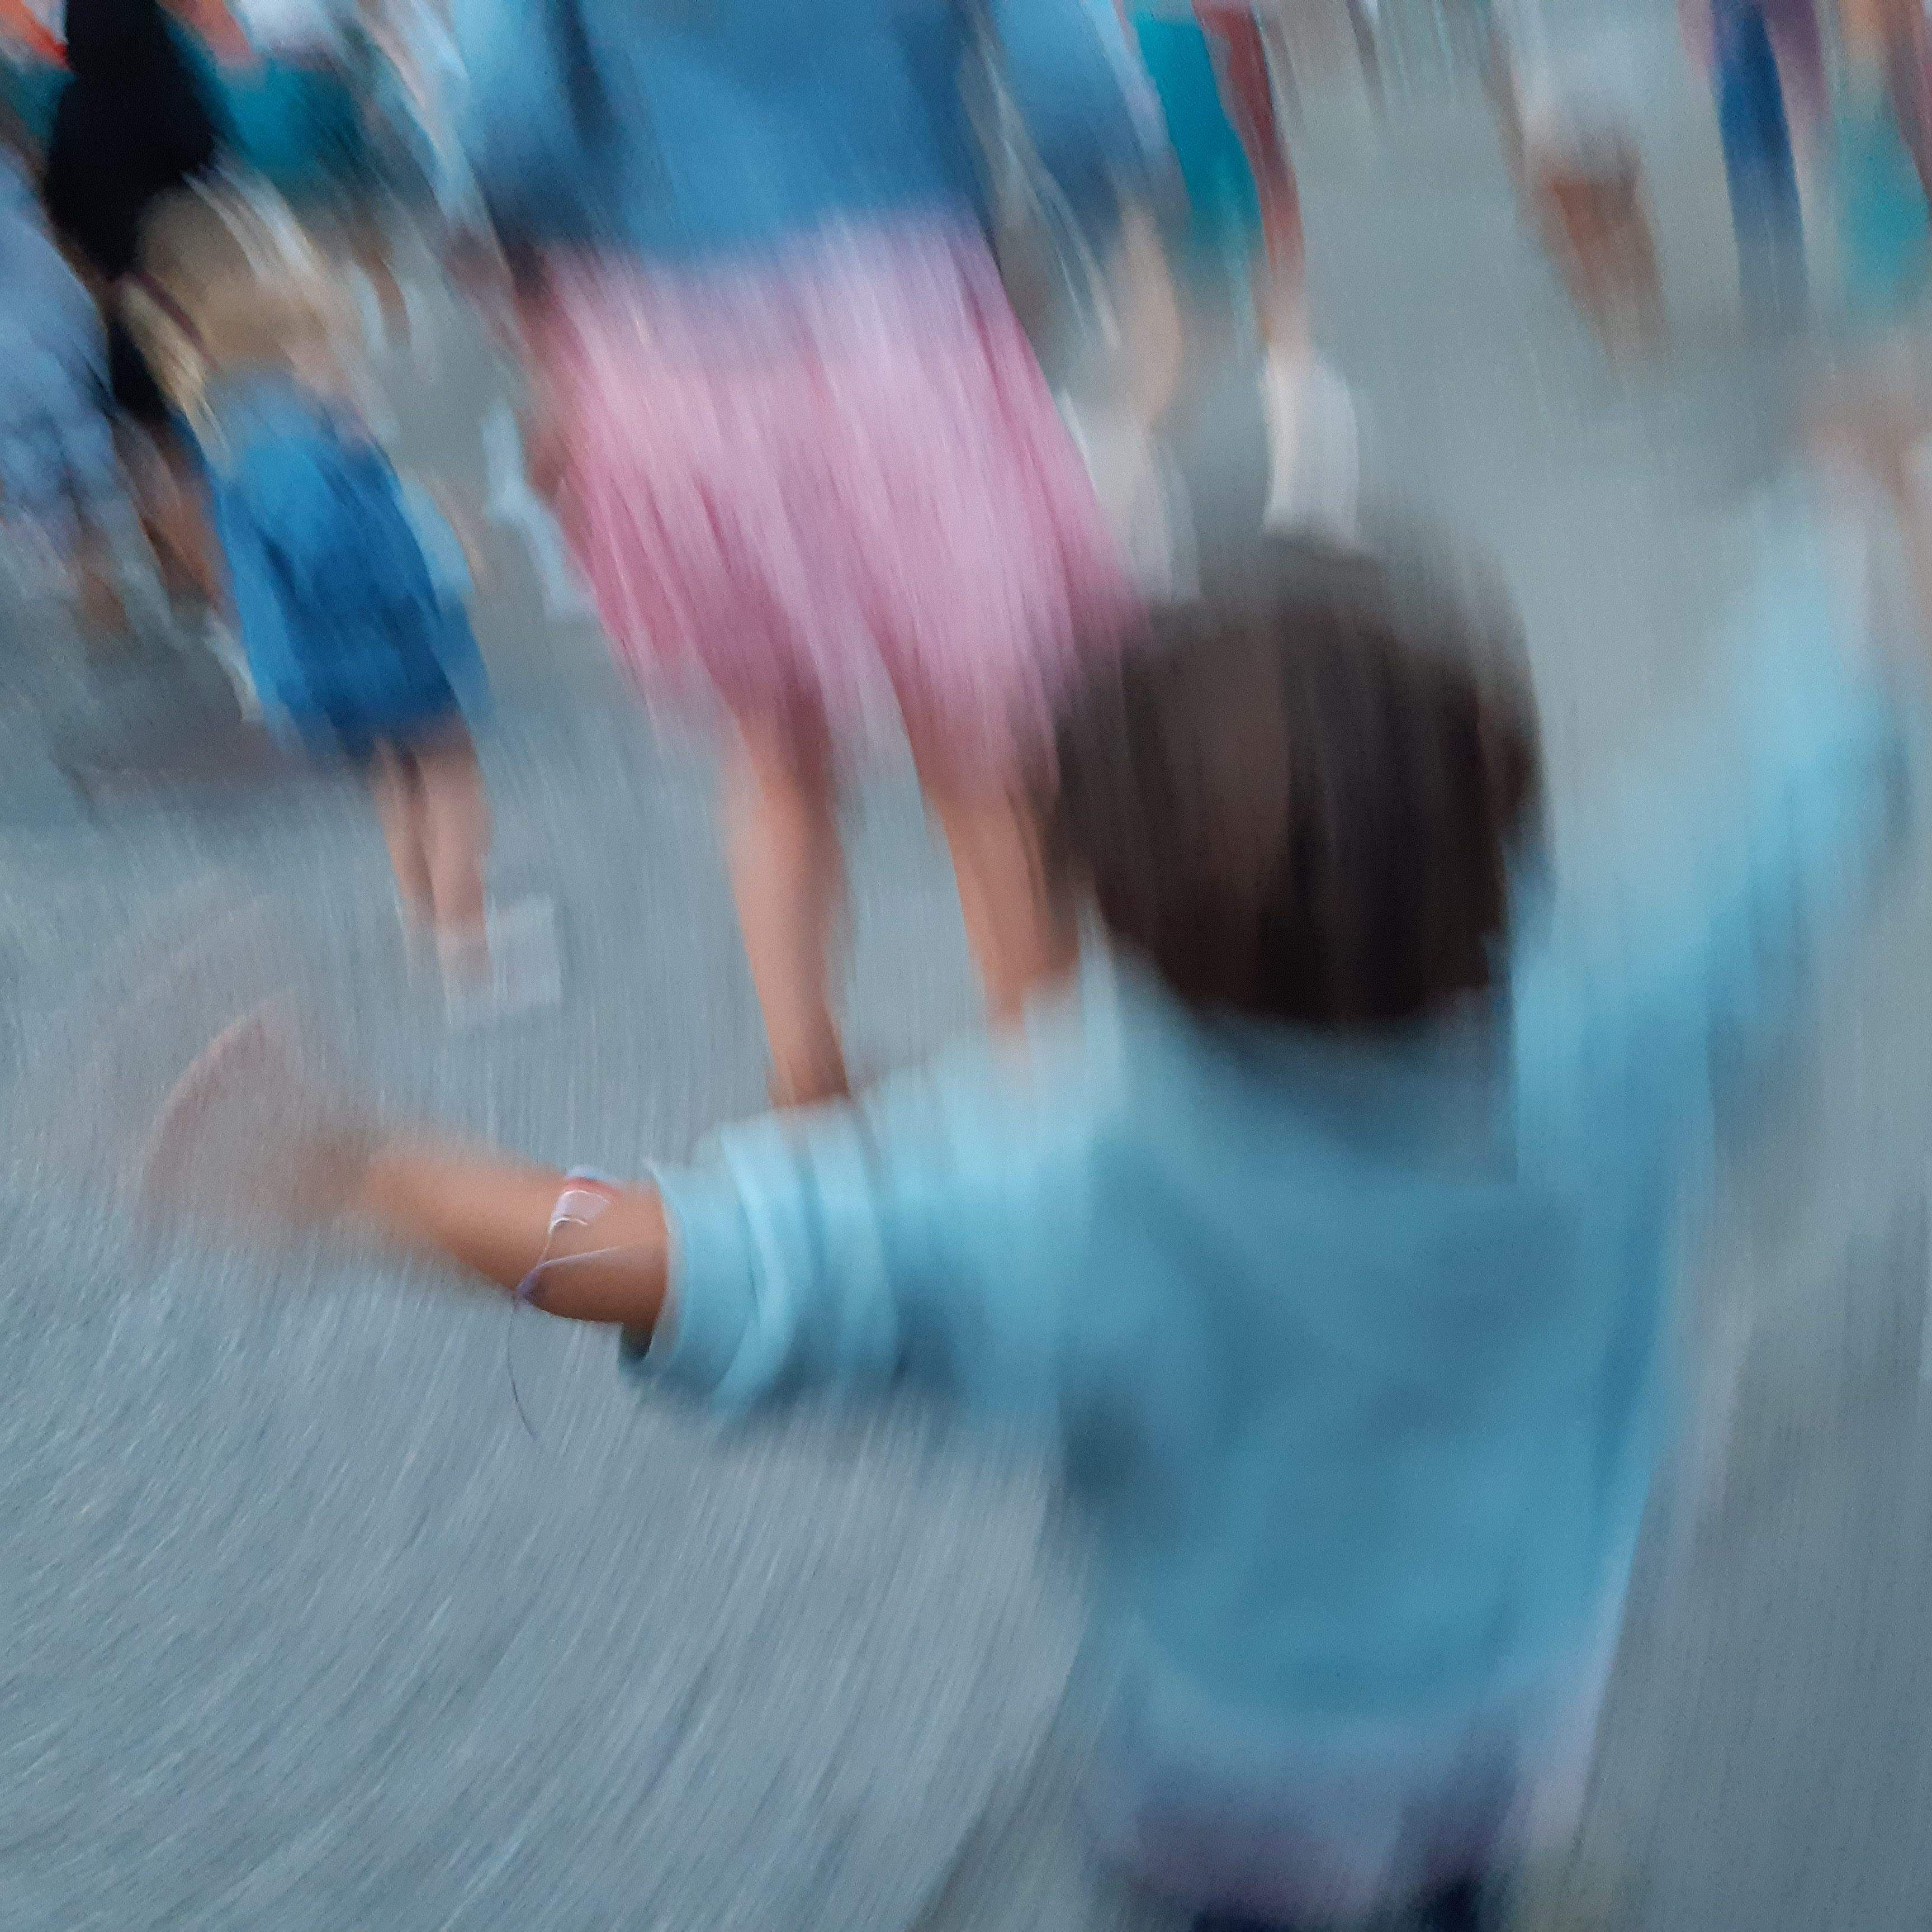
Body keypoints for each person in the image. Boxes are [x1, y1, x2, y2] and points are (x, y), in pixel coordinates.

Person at [143, 390, 1925, 1928]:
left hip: (1236, 1765)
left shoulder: (1061, 1173)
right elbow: (1800, 786)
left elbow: (710, 1261)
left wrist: (374, 1177)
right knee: (1475, 1853)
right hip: (1535, 1653)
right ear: (1498, 807)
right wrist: (1846, 525)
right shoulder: (1636, 999)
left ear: (1102, 886)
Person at [455, 0, 1152, 1108]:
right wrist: (1065, 246)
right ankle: (1047, 1095)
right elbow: (1078, 89)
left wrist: (553, 315)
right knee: (981, 752)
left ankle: (807, 1082)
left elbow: (506, 125)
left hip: (662, 337)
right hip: (903, 303)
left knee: (774, 748)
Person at [131, 183, 494, 998]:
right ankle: (464, 936)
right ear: (295, 354)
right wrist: (447, 555)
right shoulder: (298, 448)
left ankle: (418, 909)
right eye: (337, 351)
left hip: (315, 659)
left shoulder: (231, 428)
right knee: (448, 770)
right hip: (382, 643)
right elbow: (342, 554)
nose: (351, 369)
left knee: (394, 775)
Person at [0, 141, 138, 640]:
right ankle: (177, 581)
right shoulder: (9, 163)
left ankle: (102, 605)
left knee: (45, 485)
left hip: (16, 356)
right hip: (56, 322)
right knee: (105, 457)